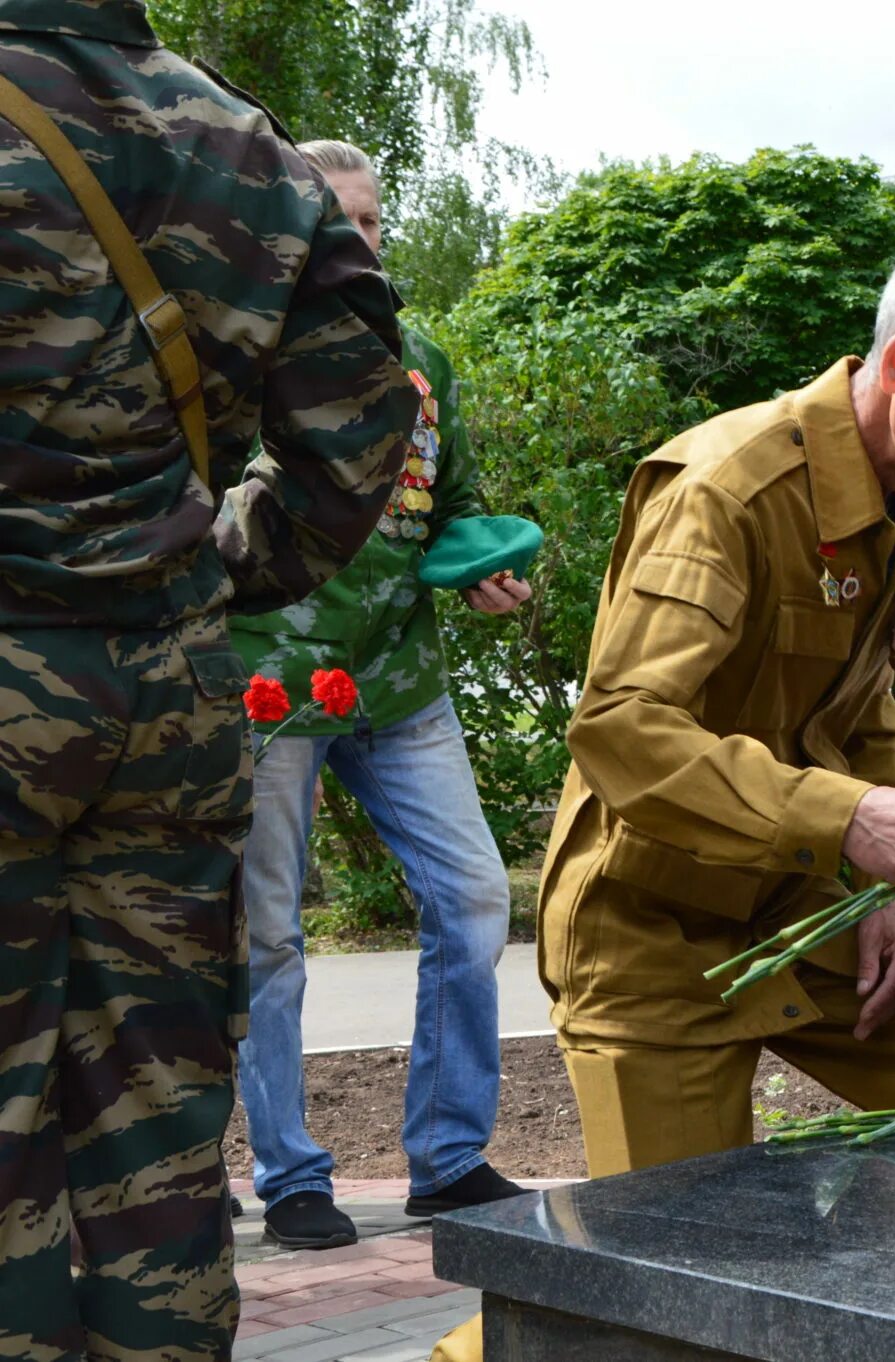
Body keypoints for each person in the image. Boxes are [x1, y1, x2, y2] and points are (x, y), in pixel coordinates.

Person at [428, 223, 895, 1362]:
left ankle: (856, 1302)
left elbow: (862, 712)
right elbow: (622, 730)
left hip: (797, 916)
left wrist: (876, 890)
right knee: (672, 1296)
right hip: (654, 938)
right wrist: (848, 821)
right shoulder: (727, 486)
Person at [0, 4, 417, 1356]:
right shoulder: (243, 137)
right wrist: (213, 569)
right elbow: (361, 422)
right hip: (168, 699)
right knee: (157, 1135)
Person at [228, 139, 534, 1250]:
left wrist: (480, 561)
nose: (362, 244)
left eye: (372, 224)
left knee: (473, 899)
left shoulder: (427, 360)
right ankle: (288, 1175)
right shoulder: (241, 348)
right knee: (264, 934)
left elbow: (452, 503)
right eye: (336, 224)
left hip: (399, 679)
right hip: (268, 680)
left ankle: (448, 1161)